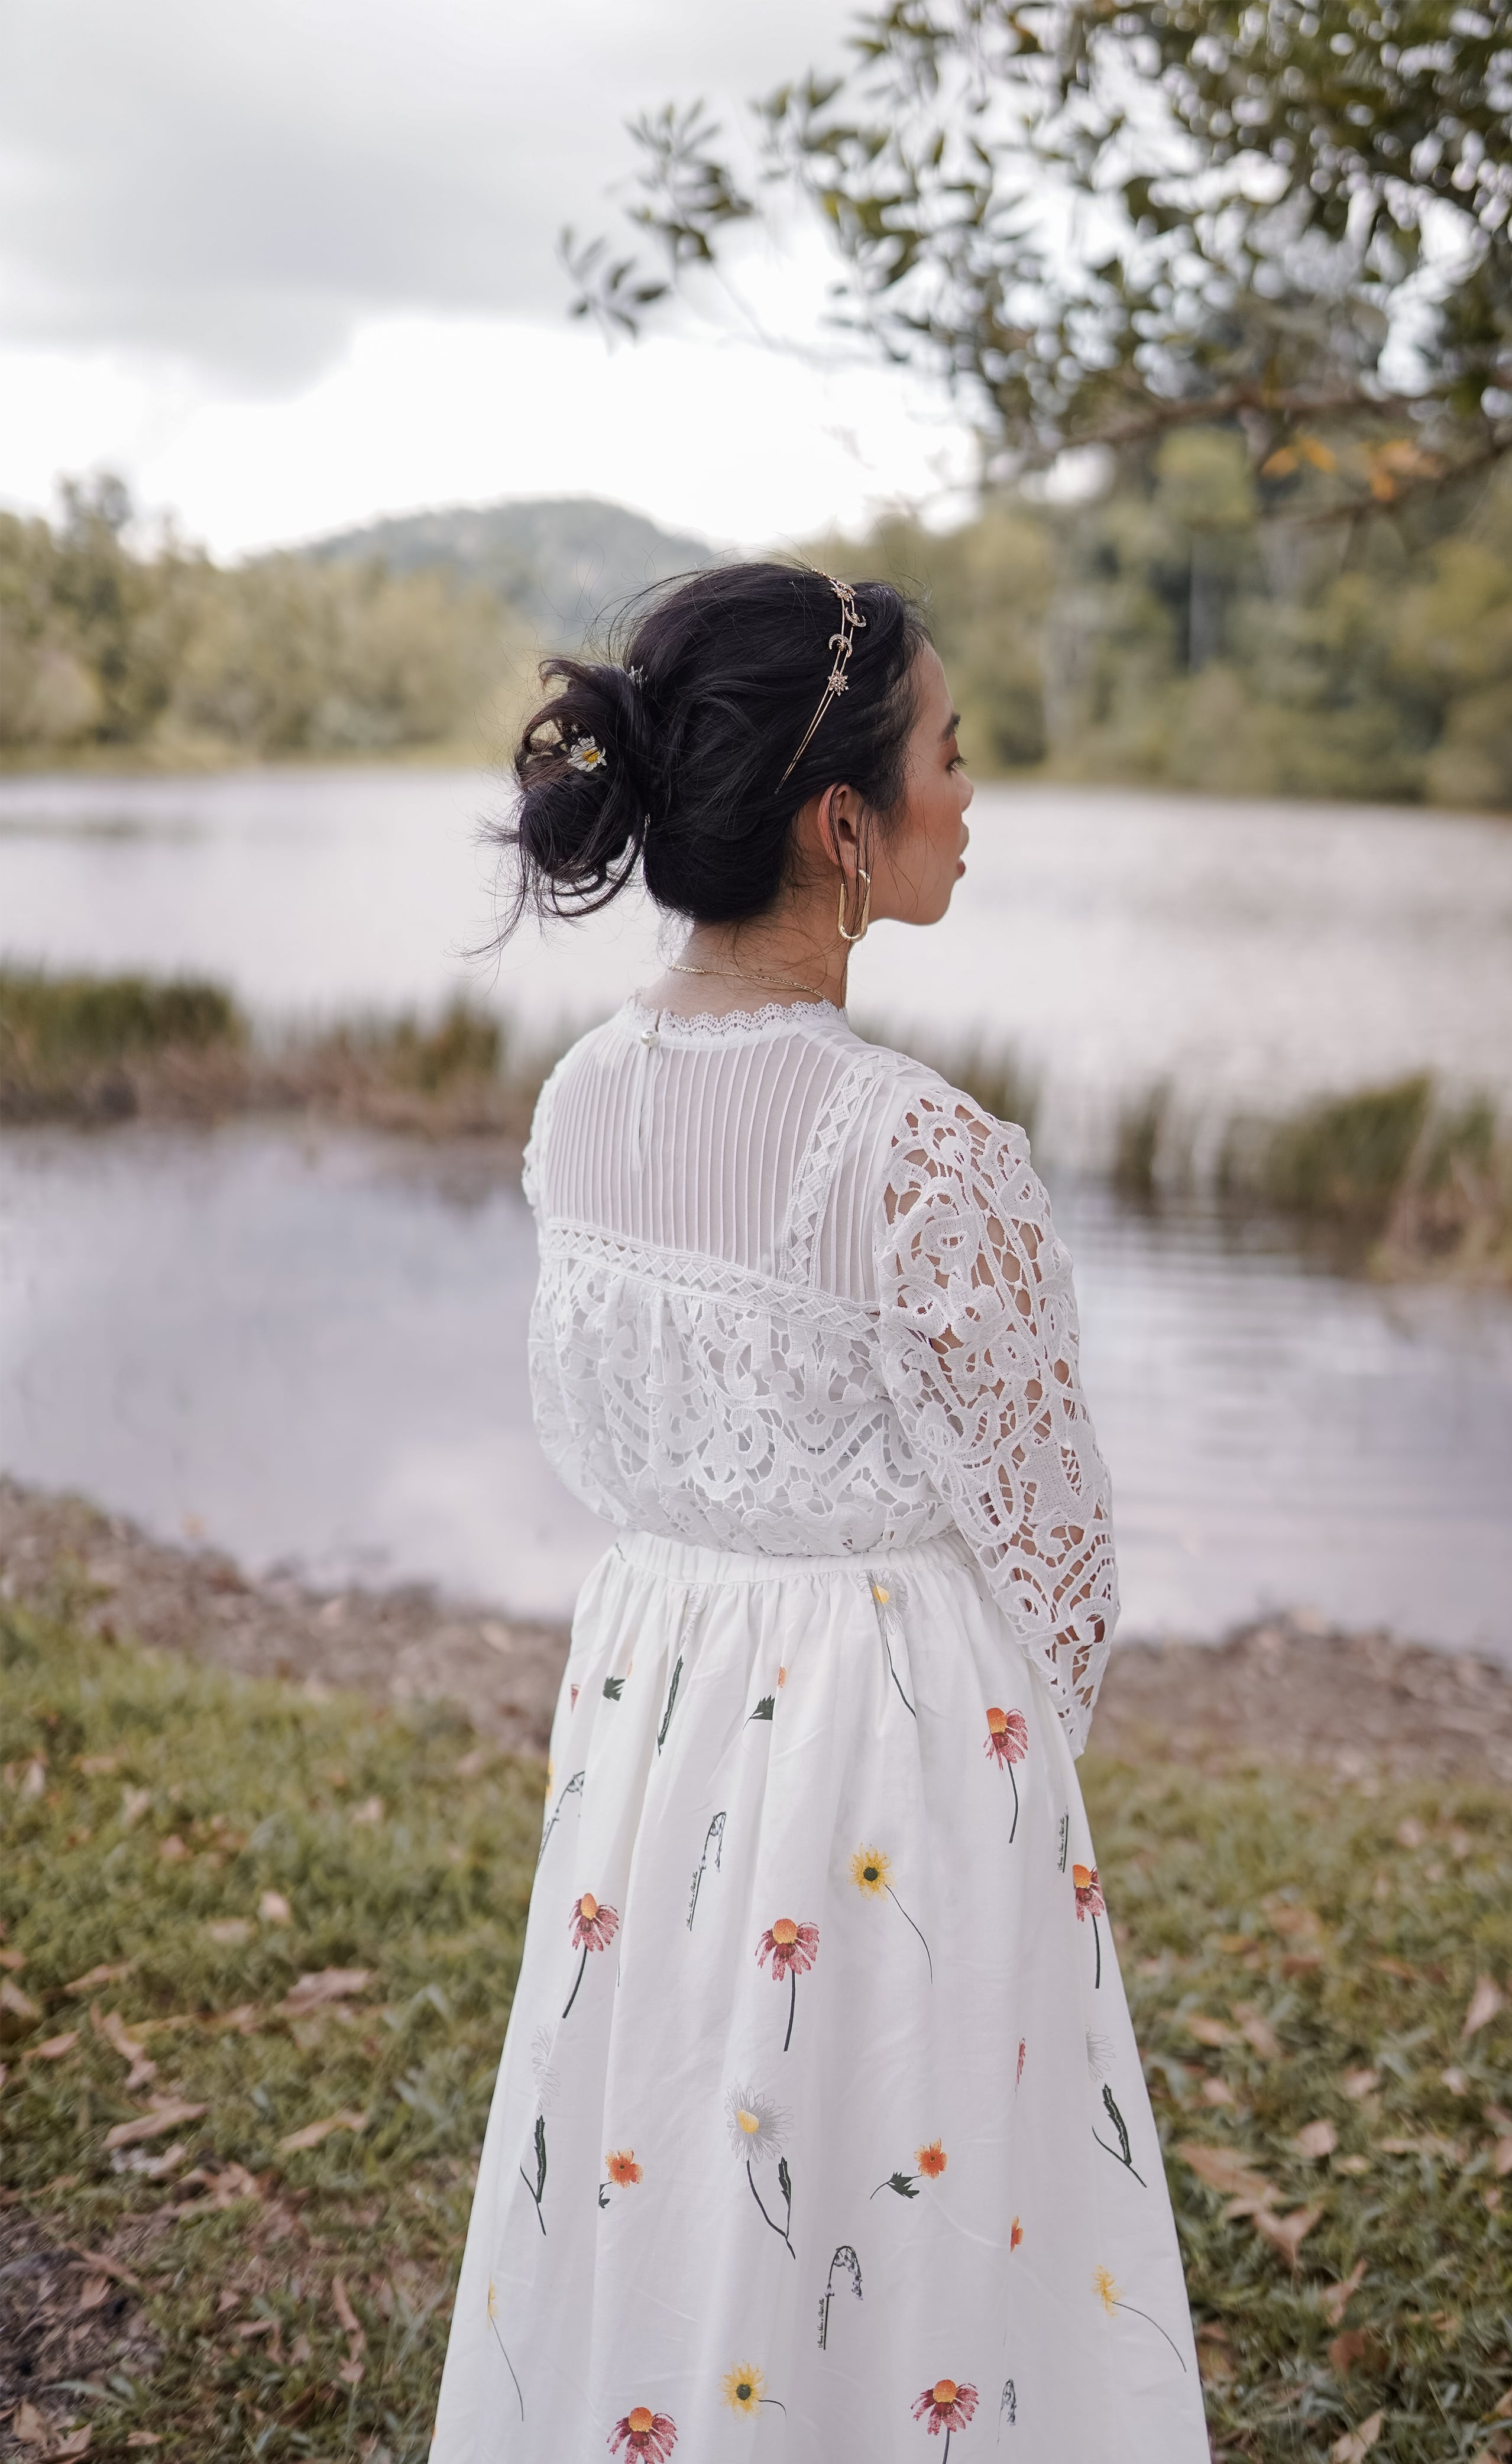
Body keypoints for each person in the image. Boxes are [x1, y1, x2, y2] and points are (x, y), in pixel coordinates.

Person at [432, 564, 1208, 2461]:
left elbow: (607, 1451)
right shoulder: (919, 1152)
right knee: (892, 2188)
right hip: (892, 1754)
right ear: (840, 823)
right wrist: (994, 1794)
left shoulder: (582, 1104)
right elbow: (1054, 1559)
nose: (972, 795)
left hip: (652, 1724)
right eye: (950, 753)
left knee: (676, 2149)